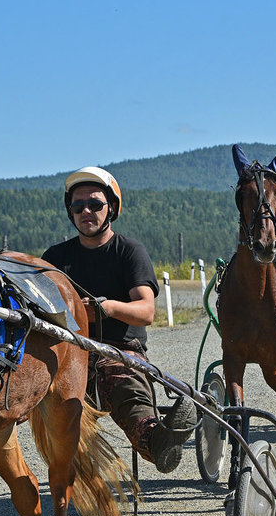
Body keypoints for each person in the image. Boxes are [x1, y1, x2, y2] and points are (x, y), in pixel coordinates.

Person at [41, 166, 196, 473]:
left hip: (119, 352)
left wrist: (107, 307)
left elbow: (146, 311)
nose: (86, 211)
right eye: (77, 206)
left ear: (111, 207)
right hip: (70, 354)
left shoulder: (129, 251)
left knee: (126, 391)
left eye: (95, 204)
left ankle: (157, 442)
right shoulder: (55, 258)